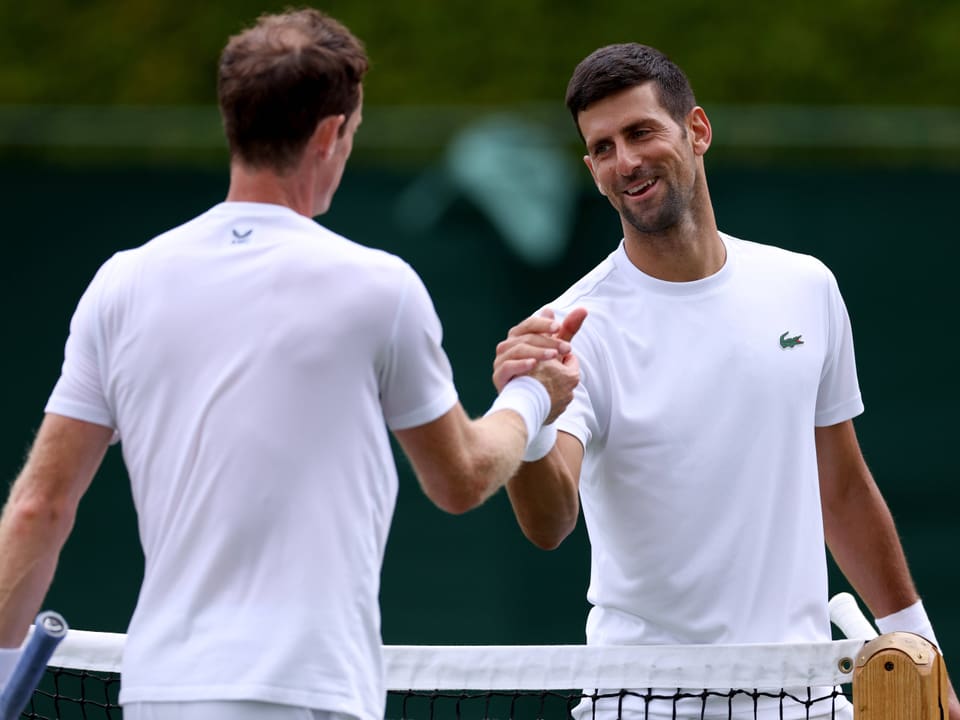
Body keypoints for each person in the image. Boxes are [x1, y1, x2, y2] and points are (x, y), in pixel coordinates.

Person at [0, 9, 586, 720]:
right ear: (329, 134)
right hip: (309, 697)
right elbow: (460, 479)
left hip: (163, 695)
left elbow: (40, 505)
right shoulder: (380, 287)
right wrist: (529, 398)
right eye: (353, 132)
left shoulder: (121, 283)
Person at [493, 42, 959, 718]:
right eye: (602, 148)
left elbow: (845, 489)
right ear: (591, 168)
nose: (626, 161)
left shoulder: (806, 287)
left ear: (698, 130)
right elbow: (547, 521)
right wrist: (534, 427)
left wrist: (920, 646)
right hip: (642, 702)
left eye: (641, 131)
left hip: (803, 695)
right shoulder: (572, 331)